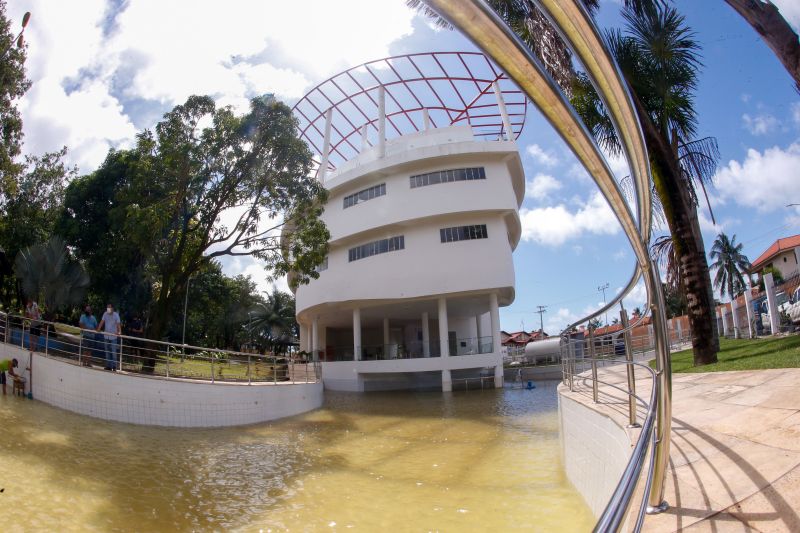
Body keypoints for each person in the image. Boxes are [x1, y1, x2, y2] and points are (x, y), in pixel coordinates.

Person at [97, 304, 121, 371]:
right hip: (106, 336)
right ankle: (108, 366)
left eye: (109, 307)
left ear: (112, 308)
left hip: (113, 337)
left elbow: (118, 324)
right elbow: (102, 321)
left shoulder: (116, 315)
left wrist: (119, 332)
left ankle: (114, 367)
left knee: (113, 352)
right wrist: (98, 328)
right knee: (107, 351)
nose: (108, 308)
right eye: (107, 307)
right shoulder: (105, 314)